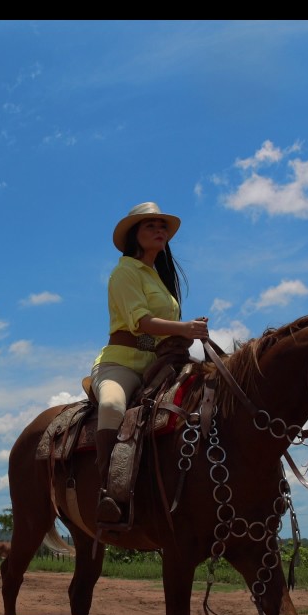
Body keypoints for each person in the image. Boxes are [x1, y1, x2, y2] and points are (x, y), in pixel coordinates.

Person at [90, 201, 209, 524]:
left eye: (162, 227)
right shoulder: (125, 271)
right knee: (113, 405)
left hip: (160, 363)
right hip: (122, 363)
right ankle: (108, 491)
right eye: (150, 226)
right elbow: (141, 321)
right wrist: (185, 328)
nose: (159, 231)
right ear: (135, 235)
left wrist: (182, 337)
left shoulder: (159, 278)